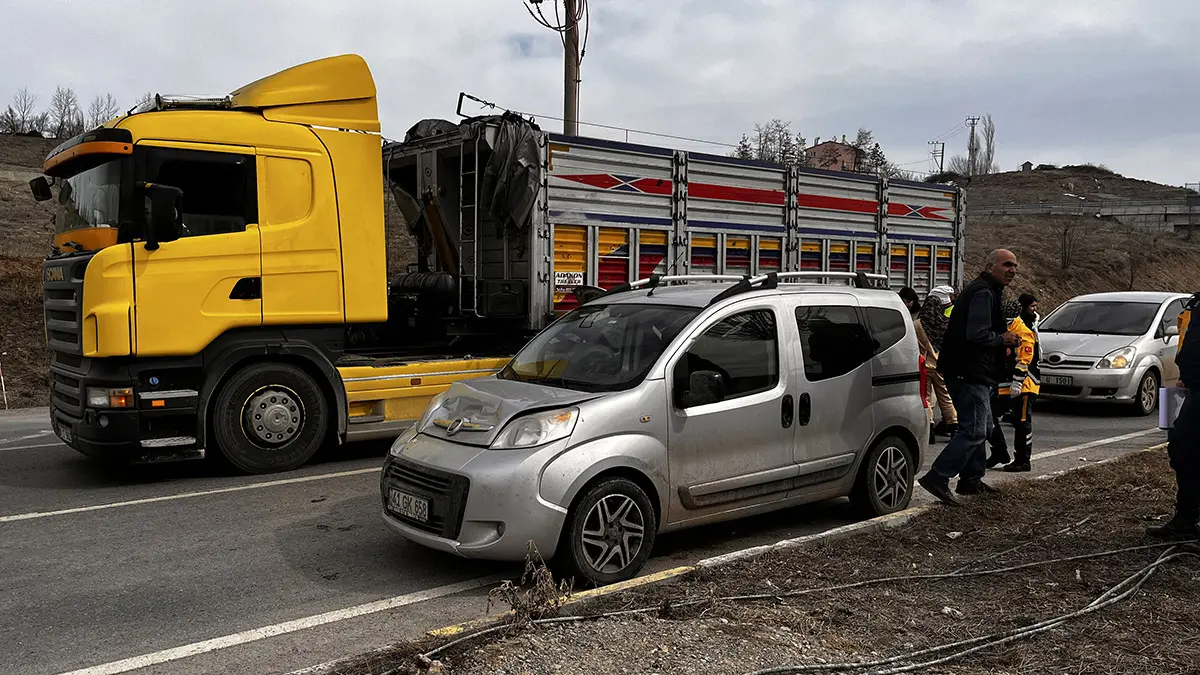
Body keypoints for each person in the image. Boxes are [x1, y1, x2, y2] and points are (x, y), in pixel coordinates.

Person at [917, 249, 1020, 505]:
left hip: (975, 371)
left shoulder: (987, 291)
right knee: (974, 428)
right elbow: (977, 334)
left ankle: (971, 480)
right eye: (1007, 264)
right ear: (989, 266)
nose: (1013, 270)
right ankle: (938, 477)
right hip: (968, 371)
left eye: (1015, 266)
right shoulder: (983, 293)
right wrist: (1003, 338)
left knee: (982, 427)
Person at [1147, 290, 1200, 538]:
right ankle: (1186, 519)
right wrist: (1185, 377)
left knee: (1186, 447)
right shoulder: (1195, 302)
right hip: (1194, 385)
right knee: (1182, 448)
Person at [987, 294, 1041, 472]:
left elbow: (1024, 360)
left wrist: (1017, 383)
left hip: (1024, 384)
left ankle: (1023, 460)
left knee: (1022, 421)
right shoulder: (1003, 328)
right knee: (989, 417)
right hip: (1003, 382)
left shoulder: (1024, 331)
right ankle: (1000, 452)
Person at [918, 285, 959, 438]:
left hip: (924, 365)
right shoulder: (945, 324)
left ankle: (930, 431)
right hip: (942, 365)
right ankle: (954, 426)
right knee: (946, 397)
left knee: (926, 398)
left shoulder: (918, 324)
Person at [899, 287, 937, 443]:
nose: (906, 304)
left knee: (927, 397)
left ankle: (932, 426)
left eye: (908, 301)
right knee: (933, 396)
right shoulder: (935, 321)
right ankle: (948, 424)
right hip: (931, 362)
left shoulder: (918, 321)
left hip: (922, 361)